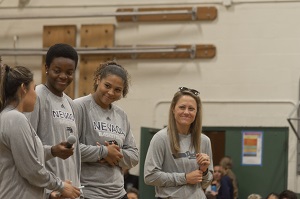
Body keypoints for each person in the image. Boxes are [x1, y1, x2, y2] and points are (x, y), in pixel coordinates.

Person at [0, 65, 80, 198]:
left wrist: (53, 151)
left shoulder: (12, 117)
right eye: (33, 88)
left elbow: (26, 154)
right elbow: (31, 170)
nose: (36, 95)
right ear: (23, 89)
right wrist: (60, 185)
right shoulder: (15, 118)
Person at [74, 60, 139, 199]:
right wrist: (103, 152)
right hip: (87, 193)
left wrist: (115, 155)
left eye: (117, 90)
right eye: (107, 86)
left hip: (119, 194)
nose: (111, 92)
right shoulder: (79, 107)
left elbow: (134, 157)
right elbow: (70, 149)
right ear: (98, 80)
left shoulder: (121, 115)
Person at [25, 43, 82, 198]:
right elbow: (27, 149)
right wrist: (50, 192)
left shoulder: (71, 103)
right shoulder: (36, 96)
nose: (63, 76)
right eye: (57, 70)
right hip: (50, 192)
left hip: (70, 190)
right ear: (47, 68)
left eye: (69, 72)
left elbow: (75, 156)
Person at [144, 87, 213, 199]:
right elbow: (150, 177)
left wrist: (204, 171)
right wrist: (185, 178)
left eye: (191, 108)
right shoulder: (160, 138)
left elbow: (206, 183)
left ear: (196, 112)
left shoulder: (204, 141)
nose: (186, 112)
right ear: (173, 109)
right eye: (182, 107)